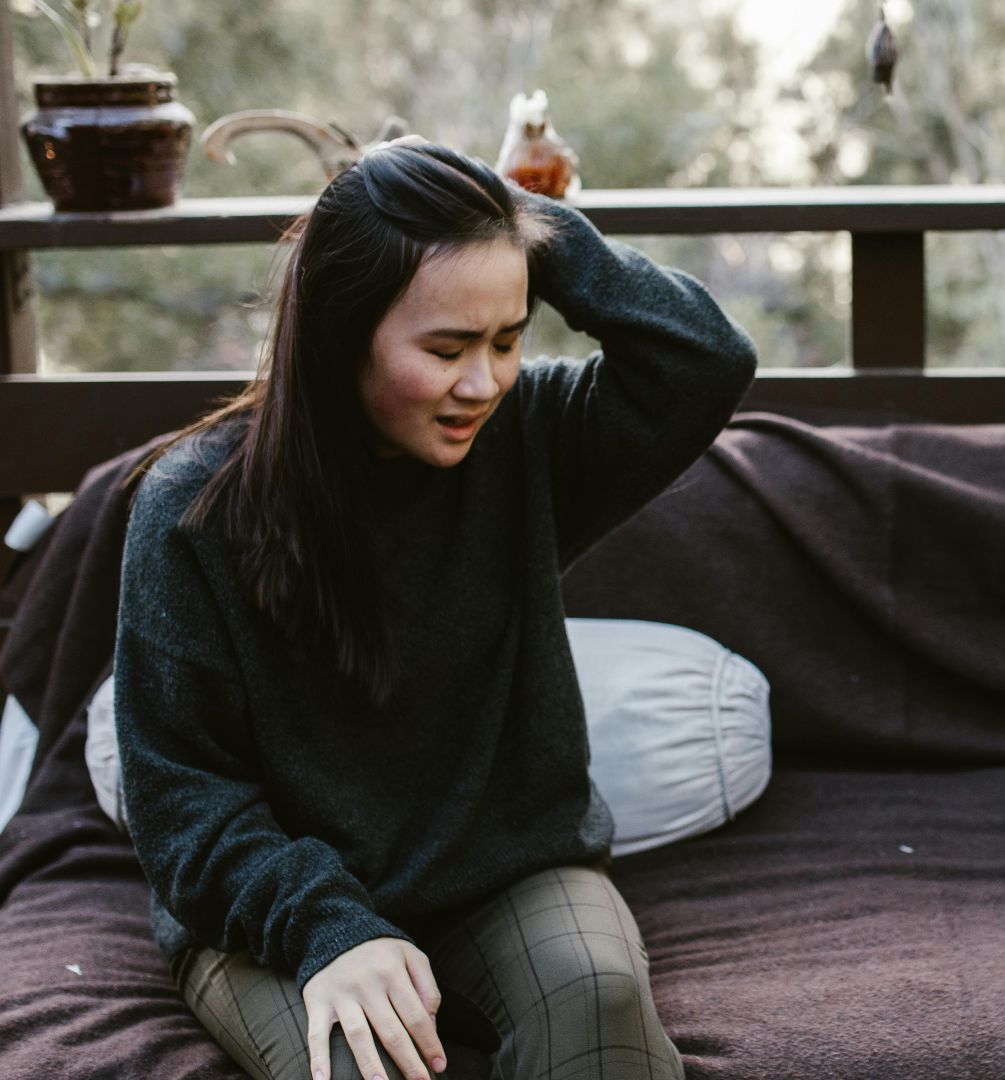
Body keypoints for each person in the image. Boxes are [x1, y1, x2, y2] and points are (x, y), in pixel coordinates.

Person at [115, 139, 757, 1080]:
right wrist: (329, 928)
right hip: (275, 905)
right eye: (447, 348)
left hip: (506, 872)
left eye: (507, 339)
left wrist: (506, 219)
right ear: (341, 334)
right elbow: (180, 799)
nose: (483, 383)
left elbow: (703, 359)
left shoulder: (528, 438)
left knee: (599, 1010)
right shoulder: (192, 510)